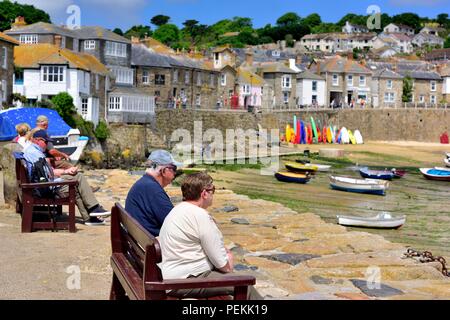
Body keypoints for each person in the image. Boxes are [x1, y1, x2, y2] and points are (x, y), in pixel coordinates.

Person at [158, 172, 263, 300]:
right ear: (204, 193)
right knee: (245, 285)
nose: (213, 193)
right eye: (212, 189)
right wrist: (228, 260)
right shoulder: (200, 216)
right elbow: (223, 265)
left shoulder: (178, 210)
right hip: (184, 280)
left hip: (172, 275)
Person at [22, 130, 111, 226]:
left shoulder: (32, 151)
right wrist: (64, 173)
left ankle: (90, 216)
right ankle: (94, 209)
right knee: (78, 178)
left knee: (76, 178)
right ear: (38, 140)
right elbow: (47, 175)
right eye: (46, 142)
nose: (47, 145)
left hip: (40, 186)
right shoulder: (35, 153)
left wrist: (66, 172)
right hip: (45, 189)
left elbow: (46, 173)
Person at [125, 150, 182, 236]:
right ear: (163, 171)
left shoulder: (144, 184)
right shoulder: (155, 191)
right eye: (174, 169)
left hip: (141, 239)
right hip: (153, 244)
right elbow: (176, 225)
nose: (175, 173)